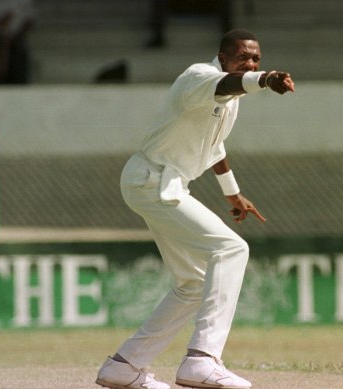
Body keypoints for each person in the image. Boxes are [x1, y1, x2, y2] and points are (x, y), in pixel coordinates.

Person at [95, 29, 295, 389]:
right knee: (232, 248)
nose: (250, 63)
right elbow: (228, 83)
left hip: (158, 183)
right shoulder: (199, 77)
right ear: (222, 56)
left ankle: (123, 367)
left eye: (256, 60)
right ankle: (202, 359)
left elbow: (214, 147)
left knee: (193, 283)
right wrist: (265, 79)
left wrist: (233, 193)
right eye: (243, 57)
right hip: (153, 180)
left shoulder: (230, 99)